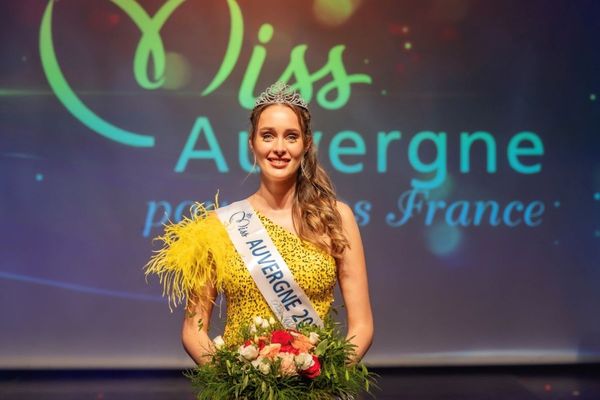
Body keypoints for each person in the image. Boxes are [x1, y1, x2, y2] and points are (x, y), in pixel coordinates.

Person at [145, 82, 373, 367]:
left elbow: (362, 327)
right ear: (251, 142)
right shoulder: (218, 226)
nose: (279, 148)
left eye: (291, 137)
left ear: (306, 144)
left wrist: (322, 377)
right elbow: (194, 330)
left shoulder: (336, 218)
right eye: (268, 136)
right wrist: (238, 382)